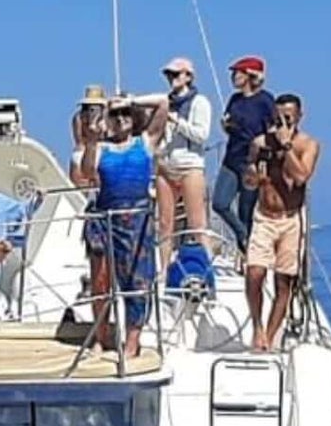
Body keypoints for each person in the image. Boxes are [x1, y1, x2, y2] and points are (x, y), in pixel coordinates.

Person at [75, 96, 165, 356]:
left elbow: (163, 104)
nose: (121, 118)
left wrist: (131, 99)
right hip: (105, 219)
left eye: (126, 112)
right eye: (115, 114)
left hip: (137, 220)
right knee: (101, 282)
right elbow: (87, 172)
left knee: (138, 281)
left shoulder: (145, 142)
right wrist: (92, 140)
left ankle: (133, 340)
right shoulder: (100, 148)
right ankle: (101, 337)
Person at [244, 94, 321, 351]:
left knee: (284, 280)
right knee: (255, 272)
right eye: (279, 118)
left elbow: (301, 177)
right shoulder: (260, 143)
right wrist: (254, 177)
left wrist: (286, 146)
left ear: (299, 116)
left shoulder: (308, 145)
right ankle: (257, 326)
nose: (283, 122)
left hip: (291, 219)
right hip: (265, 216)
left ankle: (269, 335)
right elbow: (248, 179)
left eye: (288, 118)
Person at [214, 56, 277, 255]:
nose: (233, 77)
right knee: (219, 203)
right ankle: (242, 234)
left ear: (250, 75)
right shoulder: (235, 100)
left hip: (253, 163)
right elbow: (231, 125)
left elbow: (273, 130)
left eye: (237, 73)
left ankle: (248, 256)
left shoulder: (265, 100)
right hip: (231, 159)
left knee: (246, 211)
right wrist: (226, 126)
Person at [155, 57, 213, 267]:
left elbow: (201, 135)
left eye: (175, 74)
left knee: (197, 223)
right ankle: (163, 269)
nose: (171, 78)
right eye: (168, 74)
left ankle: (207, 267)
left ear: (188, 76)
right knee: (164, 223)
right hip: (166, 166)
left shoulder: (200, 102)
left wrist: (177, 122)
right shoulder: (165, 102)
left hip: (190, 166)